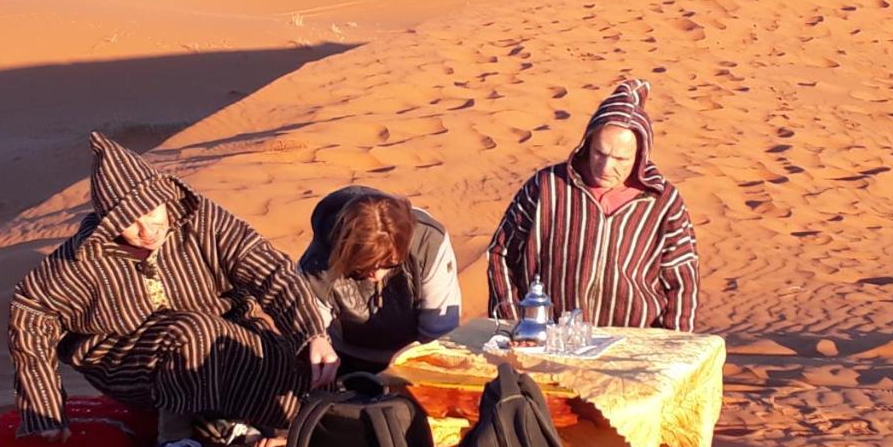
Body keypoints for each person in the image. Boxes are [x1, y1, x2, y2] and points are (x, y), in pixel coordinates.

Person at [9, 133, 340, 447]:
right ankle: (173, 443)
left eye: (151, 212)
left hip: (220, 343)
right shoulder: (82, 260)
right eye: (128, 222)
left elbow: (270, 271)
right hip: (131, 362)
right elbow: (31, 313)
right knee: (192, 332)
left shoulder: (205, 222)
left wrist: (311, 334)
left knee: (298, 372)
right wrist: (42, 406)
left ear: (165, 198)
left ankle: (221, 421)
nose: (146, 229)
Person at [488, 79, 699, 331]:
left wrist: (671, 348)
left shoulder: (663, 203)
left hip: (631, 348)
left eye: (621, 158)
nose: (606, 166)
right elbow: (501, 253)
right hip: (550, 339)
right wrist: (513, 322)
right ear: (587, 144)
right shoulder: (548, 187)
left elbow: (681, 281)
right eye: (599, 153)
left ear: (640, 156)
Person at [299, 186, 461, 372]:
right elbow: (313, 328)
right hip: (343, 360)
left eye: (389, 265)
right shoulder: (317, 262)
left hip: (415, 361)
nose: (375, 275)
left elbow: (439, 334)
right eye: (361, 269)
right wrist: (317, 341)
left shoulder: (427, 242)